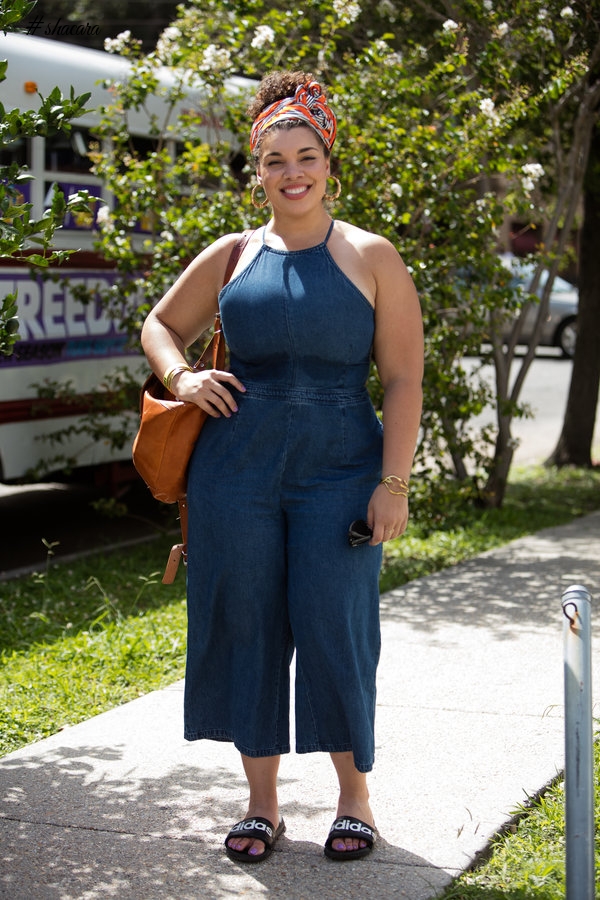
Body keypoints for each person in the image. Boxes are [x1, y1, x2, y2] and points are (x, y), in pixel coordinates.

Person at [141, 70, 424, 864]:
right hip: (234, 473)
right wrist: (183, 377)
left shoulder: (372, 256)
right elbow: (160, 324)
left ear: (329, 160)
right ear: (256, 169)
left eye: (305, 155)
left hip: (341, 470)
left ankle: (354, 799)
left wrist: (392, 482)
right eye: (274, 159)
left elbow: (403, 378)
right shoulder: (234, 255)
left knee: (337, 627)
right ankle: (262, 804)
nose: (291, 172)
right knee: (244, 626)